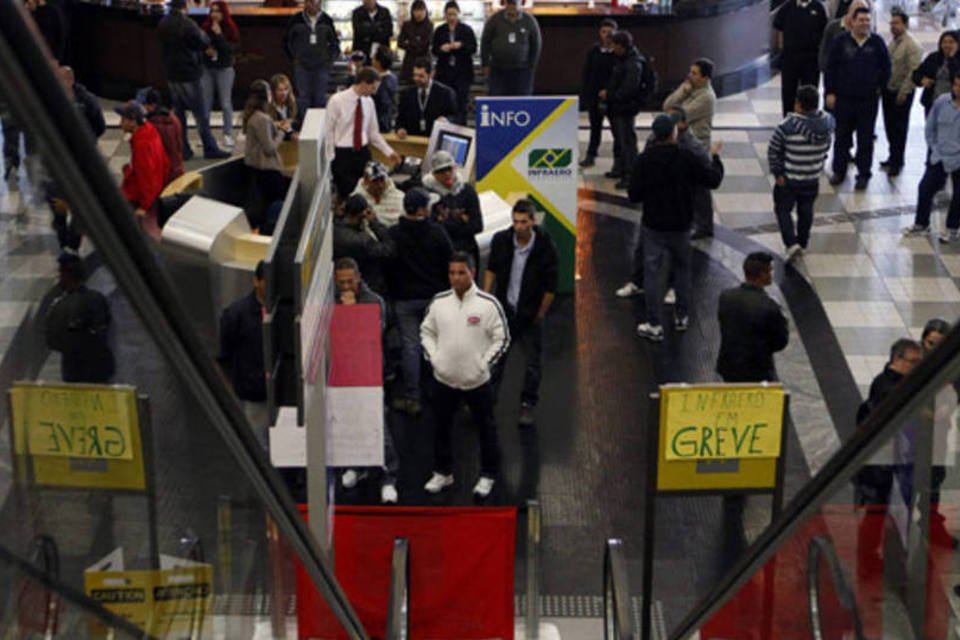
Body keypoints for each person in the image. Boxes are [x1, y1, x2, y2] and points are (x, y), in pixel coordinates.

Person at [421, 252, 509, 499]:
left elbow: (501, 339)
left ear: (472, 272)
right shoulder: (439, 302)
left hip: (477, 382)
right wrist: (434, 358)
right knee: (441, 428)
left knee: (486, 429)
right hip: (444, 379)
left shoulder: (488, 305)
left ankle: (488, 474)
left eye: (461, 272)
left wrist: (484, 364)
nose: (455, 278)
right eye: (451, 273)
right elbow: (426, 332)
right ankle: (443, 471)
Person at [630, 113, 724, 342]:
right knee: (682, 270)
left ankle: (654, 323)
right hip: (682, 224)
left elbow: (634, 195)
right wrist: (715, 158)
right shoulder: (686, 157)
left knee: (651, 273)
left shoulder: (644, 160)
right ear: (673, 133)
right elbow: (712, 180)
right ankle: (681, 316)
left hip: (653, 225)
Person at [614, 105, 701, 299]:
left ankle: (673, 288)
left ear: (682, 124)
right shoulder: (653, 143)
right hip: (654, 212)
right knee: (643, 250)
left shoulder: (690, 147)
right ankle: (638, 282)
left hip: (678, 213)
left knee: (676, 256)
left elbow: (704, 175)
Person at [485, 200, 558, 427]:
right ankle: (487, 402)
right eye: (515, 221)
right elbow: (492, 269)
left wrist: (540, 314)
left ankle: (527, 404)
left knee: (533, 363)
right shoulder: (502, 240)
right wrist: (487, 300)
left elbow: (550, 285)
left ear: (533, 221)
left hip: (530, 313)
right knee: (496, 359)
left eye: (523, 222)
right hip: (506, 311)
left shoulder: (545, 246)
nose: (518, 227)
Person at [334, 257, 400, 504]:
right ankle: (355, 465)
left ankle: (389, 477)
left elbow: (371, 334)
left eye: (351, 280)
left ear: (359, 278)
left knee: (377, 426)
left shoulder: (374, 302)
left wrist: (350, 314)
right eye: (342, 282)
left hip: (369, 373)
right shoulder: (331, 302)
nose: (347, 286)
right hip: (343, 373)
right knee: (348, 424)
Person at [386, 188, 454, 416]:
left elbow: (387, 262)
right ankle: (441, 394)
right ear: (423, 209)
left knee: (410, 348)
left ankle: (412, 397)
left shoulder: (394, 234)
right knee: (437, 345)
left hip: (404, 300)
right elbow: (451, 260)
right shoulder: (437, 232)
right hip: (434, 298)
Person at [824, 6, 890, 190]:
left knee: (865, 139)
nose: (865, 23)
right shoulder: (840, 41)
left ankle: (863, 174)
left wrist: (878, 87)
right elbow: (831, 68)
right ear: (852, 21)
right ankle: (839, 171)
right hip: (844, 99)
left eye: (868, 20)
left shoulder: (877, 43)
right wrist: (830, 92)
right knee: (842, 137)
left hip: (867, 101)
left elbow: (886, 68)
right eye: (861, 20)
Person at [768, 84, 834, 261]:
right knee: (806, 210)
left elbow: (773, 150)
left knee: (783, 209)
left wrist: (778, 173)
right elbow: (827, 146)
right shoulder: (828, 123)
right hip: (812, 177)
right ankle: (803, 242)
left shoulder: (787, 126)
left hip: (790, 179)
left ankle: (791, 243)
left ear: (798, 104)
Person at [157, 0, 230, 160]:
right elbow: (202, 41)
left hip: (171, 72)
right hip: (188, 72)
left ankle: (183, 148)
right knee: (200, 113)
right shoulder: (188, 24)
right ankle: (209, 147)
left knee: (178, 113)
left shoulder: (163, 23)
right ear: (185, 6)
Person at [324, 67, 400, 198]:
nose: (374, 92)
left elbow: (373, 133)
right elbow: (328, 132)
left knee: (367, 194)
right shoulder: (337, 100)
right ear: (364, 83)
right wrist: (330, 159)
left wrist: (389, 151)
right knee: (348, 195)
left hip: (363, 153)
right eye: (373, 88)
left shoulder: (369, 102)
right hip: (343, 154)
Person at [218, 261, 270, 449]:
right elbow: (225, 354)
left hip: (280, 395)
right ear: (257, 281)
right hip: (254, 393)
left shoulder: (284, 310)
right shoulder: (236, 314)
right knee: (259, 446)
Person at [903, 74, 960, 243]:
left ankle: (952, 228)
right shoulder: (942, 102)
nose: (957, 89)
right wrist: (934, 149)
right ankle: (921, 224)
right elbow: (930, 127)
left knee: (958, 195)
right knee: (925, 188)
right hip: (940, 155)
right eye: (956, 85)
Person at [715, 251, 789, 382]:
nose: (771, 275)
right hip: (758, 369)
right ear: (761, 274)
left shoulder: (726, 296)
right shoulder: (770, 306)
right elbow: (780, 342)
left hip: (729, 365)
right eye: (770, 271)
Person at [45, 253, 114, 384]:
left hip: (73, 371)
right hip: (100, 367)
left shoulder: (59, 306)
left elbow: (52, 341)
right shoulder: (98, 299)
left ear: (65, 276)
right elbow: (106, 327)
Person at [242, 80, 290, 232]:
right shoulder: (262, 119)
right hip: (268, 169)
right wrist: (282, 132)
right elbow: (269, 148)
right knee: (274, 205)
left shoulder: (252, 116)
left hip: (258, 169)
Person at [880, 9, 921, 177]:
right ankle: (893, 156)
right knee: (889, 126)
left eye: (896, 23)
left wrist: (904, 92)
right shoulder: (894, 42)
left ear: (905, 24)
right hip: (889, 90)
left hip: (901, 93)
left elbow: (913, 72)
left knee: (899, 128)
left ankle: (897, 162)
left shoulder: (912, 45)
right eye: (891, 23)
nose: (892, 27)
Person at [422, 149, 482, 266]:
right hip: (439, 254)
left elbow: (477, 226)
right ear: (433, 174)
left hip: (466, 251)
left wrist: (444, 223)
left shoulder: (467, 191)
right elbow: (431, 230)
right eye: (441, 171)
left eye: (449, 169)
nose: (447, 174)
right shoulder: (427, 194)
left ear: (455, 168)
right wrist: (461, 222)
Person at [602, 30, 645, 190]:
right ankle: (620, 169)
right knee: (620, 139)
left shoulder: (633, 63)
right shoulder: (622, 59)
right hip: (618, 106)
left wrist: (610, 94)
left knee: (627, 141)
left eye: (613, 45)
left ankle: (630, 175)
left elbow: (628, 88)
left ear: (621, 46)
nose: (611, 48)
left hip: (625, 107)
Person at [283, 0, 340, 114]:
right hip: (302, 66)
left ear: (320, 3)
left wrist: (329, 61)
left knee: (320, 98)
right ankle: (303, 126)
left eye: (315, 2)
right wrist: (293, 58)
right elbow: (287, 41)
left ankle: (319, 127)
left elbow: (334, 44)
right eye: (310, 2)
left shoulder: (327, 20)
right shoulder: (296, 19)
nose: (312, 5)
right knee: (303, 98)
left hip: (321, 66)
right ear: (305, 3)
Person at [116, 101, 169, 221]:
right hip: (155, 192)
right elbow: (165, 162)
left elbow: (146, 177)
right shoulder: (150, 130)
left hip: (137, 198)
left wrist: (144, 206)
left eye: (123, 119)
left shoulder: (141, 145)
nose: (120, 124)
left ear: (133, 122)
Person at [773, 0, 827, 116]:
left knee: (810, 93)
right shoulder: (787, 7)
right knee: (788, 93)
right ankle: (788, 122)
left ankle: (810, 121)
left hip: (811, 60)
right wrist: (781, 51)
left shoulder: (818, 8)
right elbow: (779, 30)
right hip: (790, 59)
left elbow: (824, 34)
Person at [333, 194, 395, 294]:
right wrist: (374, 222)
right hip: (367, 284)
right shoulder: (362, 241)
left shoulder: (334, 229)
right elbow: (388, 249)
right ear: (362, 215)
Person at [579, 18, 619, 169]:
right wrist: (587, 93)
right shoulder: (594, 51)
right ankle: (591, 155)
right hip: (594, 95)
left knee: (617, 130)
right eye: (604, 32)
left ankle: (618, 160)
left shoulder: (618, 53)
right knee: (595, 127)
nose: (607, 35)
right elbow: (587, 73)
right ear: (599, 33)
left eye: (610, 32)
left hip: (613, 97)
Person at [481, 0, 541, 96]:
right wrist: (485, 63)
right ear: (505, 4)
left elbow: (536, 45)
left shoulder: (529, 21)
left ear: (520, 3)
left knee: (521, 100)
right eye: (509, 3)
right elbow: (485, 42)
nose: (511, 6)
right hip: (498, 70)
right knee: (498, 100)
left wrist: (531, 66)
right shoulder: (494, 20)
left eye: (514, 3)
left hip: (522, 71)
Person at [200, 0, 239, 148]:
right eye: (212, 11)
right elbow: (199, 45)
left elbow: (230, 49)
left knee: (225, 103)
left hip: (224, 68)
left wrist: (220, 35)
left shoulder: (230, 28)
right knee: (206, 103)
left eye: (218, 11)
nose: (215, 14)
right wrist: (206, 50)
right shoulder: (205, 27)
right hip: (207, 68)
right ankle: (205, 135)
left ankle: (227, 134)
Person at [432, 0, 477, 124]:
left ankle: (462, 129)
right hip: (444, 73)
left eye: (454, 14)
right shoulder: (440, 30)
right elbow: (434, 50)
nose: (451, 17)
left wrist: (461, 45)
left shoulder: (466, 30)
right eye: (449, 14)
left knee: (461, 105)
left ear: (458, 14)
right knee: (444, 104)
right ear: (445, 15)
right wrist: (442, 49)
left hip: (462, 73)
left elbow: (473, 48)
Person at [395, 57, 458, 138]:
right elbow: (400, 119)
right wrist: (400, 128)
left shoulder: (445, 93)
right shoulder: (407, 94)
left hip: (435, 138)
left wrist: (447, 120)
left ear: (431, 74)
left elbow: (456, 117)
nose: (416, 79)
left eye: (421, 76)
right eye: (415, 75)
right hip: (413, 140)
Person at [663, 58, 716, 151]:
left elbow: (679, 117)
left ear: (705, 78)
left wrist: (672, 112)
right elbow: (666, 106)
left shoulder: (707, 97)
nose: (689, 75)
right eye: (690, 71)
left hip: (697, 146)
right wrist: (683, 92)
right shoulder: (688, 86)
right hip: (682, 142)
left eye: (694, 73)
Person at [912, 30, 960, 117]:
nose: (947, 45)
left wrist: (951, 59)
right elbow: (916, 74)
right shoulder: (933, 57)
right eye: (944, 42)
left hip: (955, 104)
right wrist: (922, 80)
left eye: (951, 42)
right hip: (932, 103)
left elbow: (955, 76)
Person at [351, 160, 405, 226]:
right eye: (375, 181)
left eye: (382, 179)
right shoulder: (354, 200)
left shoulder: (401, 197)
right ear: (366, 181)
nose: (380, 185)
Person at [59, 66, 105, 139]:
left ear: (70, 80)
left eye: (60, 79)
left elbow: (100, 126)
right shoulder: (55, 97)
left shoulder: (88, 100)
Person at [398, 0, 433, 84]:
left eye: (421, 10)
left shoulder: (429, 25)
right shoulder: (407, 25)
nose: (419, 13)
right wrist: (416, 43)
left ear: (425, 11)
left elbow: (426, 44)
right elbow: (400, 43)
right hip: (409, 62)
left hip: (425, 60)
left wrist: (410, 43)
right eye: (416, 10)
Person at [371, 47, 398, 133]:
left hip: (379, 125)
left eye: (374, 58)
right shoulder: (393, 78)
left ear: (378, 62)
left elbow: (383, 105)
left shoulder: (383, 83)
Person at [269, 73, 299, 140]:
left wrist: (291, 122)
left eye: (286, 89)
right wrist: (277, 124)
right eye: (280, 90)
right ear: (273, 92)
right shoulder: (268, 106)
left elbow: (298, 121)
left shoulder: (294, 103)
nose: (284, 93)